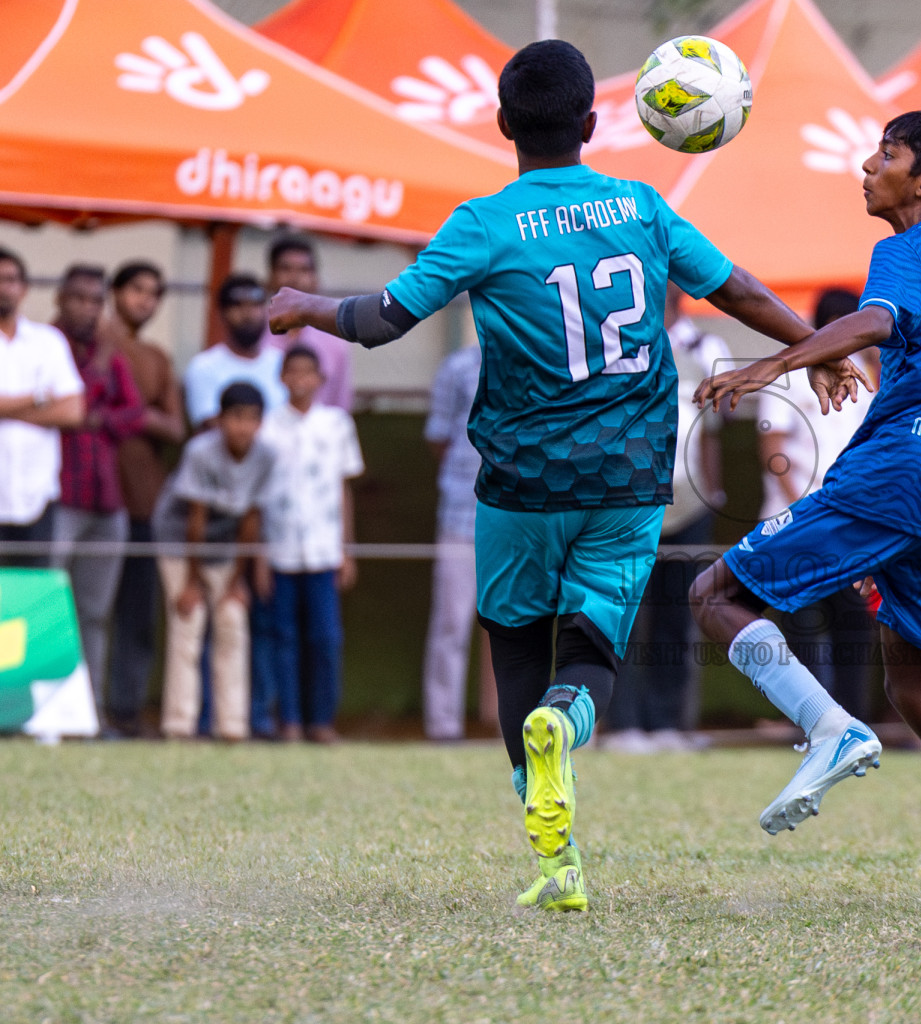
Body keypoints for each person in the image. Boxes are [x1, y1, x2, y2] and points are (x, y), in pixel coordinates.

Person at [268, 40, 863, 913]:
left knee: (515, 645)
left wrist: (306, 306)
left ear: (505, 124)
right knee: (589, 655)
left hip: (518, 482)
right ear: (593, 124)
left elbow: (382, 321)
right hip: (626, 482)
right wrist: (811, 349)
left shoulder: (482, 223)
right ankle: (568, 724)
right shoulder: (644, 209)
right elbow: (736, 290)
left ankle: (557, 859)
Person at [691, 111, 921, 911]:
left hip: (898, 471)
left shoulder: (908, 247)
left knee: (714, 596)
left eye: (887, 154)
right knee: (913, 682)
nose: (867, 165)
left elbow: (877, 321)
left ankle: (830, 728)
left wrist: (776, 364)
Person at [604, 284, 731, 753]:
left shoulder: (707, 348)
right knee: (623, 615)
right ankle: (623, 724)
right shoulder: (620, 345)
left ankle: (666, 723)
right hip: (629, 503)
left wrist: (712, 494)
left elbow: (714, 428)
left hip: (690, 505)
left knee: (679, 615)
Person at [746, 286, 879, 725]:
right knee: (803, 626)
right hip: (798, 521)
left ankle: (852, 719)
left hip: (848, 520)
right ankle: (813, 721)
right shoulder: (788, 371)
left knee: (853, 626)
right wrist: (798, 511)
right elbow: (772, 449)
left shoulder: (861, 372)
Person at [153, 383, 275, 741]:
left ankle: (232, 725)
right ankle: (179, 724)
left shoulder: (266, 457)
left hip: (226, 546)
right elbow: (195, 520)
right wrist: (192, 583)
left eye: (252, 419)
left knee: (232, 621)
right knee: (188, 621)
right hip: (180, 542)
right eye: (235, 418)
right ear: (219, 420)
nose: (242, 427)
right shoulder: (201, 452)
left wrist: (237, 581)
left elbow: (252, 521)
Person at [52, 264, 145, 709]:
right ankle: (43, 710)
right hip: (55, 497)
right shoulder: (45, 345)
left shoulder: (110, 352)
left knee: (94, 613)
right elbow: (60, 407)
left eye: (95, 301)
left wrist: (95, 418)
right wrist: (88, 408)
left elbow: (134, 414)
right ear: (60, 300)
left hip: (106, 497)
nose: (88, 309)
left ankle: (87, 713)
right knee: (48, 609)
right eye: (79, 299)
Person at [259, 346, 364, 743]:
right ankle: (288, 719)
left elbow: (343, 491)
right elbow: (259, 496)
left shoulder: (336, 424)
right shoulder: (268, 427)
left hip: (323, 551)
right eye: (293, 372)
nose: (301, 380)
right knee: (282, 638)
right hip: (279, 550)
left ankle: (321, 720)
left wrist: (346, 550)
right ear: (281, 377)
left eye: (309, 373)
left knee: (325, 637)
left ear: (321, 380)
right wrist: (259, 558)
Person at [101, 261, 185, 736]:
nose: (145, 301)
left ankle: (126, 711)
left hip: (146, 501)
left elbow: (174, 426)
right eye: (136, 290)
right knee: (84, 609)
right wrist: (143, 413)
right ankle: (80, 709)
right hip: (91, 496)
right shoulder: (93, 349)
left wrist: (132, 414)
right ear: (116, 292)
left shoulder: (158, 357)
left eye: (154, 293)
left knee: (137, 613)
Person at [420, 341, 496, 742]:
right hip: (460, 515)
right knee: (451, 621)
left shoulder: (538, 355)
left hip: (516, 520)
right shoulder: (456, 367)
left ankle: (505, 721)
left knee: (517, 625)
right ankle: (443, 725)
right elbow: (439, 438)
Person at [0, 248, 84, 567]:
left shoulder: (48, 341)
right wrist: (37, 396)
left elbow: (73, 411)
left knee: (30, 604)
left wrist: (6, 408)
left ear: (24, 288)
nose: (3, 287)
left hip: (36, 495)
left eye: (9, 279)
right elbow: (55, 404)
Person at [183, 275, 287, 430]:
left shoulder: (283, 363)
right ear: (221, 314)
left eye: (255, 305)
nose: (248, 313)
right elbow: (210, 426)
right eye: (238, 305)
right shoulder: (203, 366)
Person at [261, 238, 353, 411]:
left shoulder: (335, 338)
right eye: (285, 268)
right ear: (270, 277)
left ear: (315, 279)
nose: (294, 278)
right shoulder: (254, 330)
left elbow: (340, 405)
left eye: (304, 270)